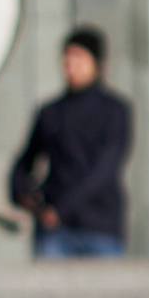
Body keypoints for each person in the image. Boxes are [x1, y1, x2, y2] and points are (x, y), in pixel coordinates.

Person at [9, 25, 133, 259]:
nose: (71, 67)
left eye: (79, 59)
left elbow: (106, 169)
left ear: (96, 63)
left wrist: (62, 208)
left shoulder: (114, 111)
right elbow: (26, 160)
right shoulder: (51, 112)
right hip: (56, 232)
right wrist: (23, 194)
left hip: (100, 226)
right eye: (67, 59)